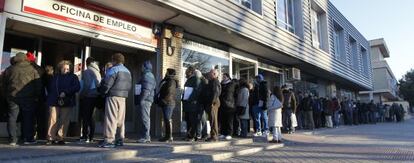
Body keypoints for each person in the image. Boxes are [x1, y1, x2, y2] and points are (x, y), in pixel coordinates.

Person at [3, 53, 42, 145]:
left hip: (12, 97)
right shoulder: (32, 69)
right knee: (28, 118)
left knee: (12, 118)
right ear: (25, 59)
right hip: (29, 98)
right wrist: (37, 95)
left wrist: (6, 95)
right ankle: (27, 138)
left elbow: (4, 84)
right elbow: (38, 84)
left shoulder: (9, 69)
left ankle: (13, 139)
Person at [98, 53, 132, 148]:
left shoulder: (113, 70)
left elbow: (106, 84)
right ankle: (120, 139)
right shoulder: (128, 71)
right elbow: (129, 86)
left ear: (114, 60)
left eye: (112, 60)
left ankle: (109, 140)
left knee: (111, 118)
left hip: (112, 96)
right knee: (120, 119)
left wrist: (102, 92)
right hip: (123, 97)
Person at [46, 60, 80, 145]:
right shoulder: (55, 77)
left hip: (67, 100)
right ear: (60, 68)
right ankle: (51, 137)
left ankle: (61, 137)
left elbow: (77, 87)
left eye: (67, 69)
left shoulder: (73, 77)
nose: (66, 70)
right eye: (64, 68)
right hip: (54, 100)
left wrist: (66, 92)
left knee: (64, 120)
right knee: (52, 119)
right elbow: (51, 88)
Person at [78, 57, 101, 143]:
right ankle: (91, 137)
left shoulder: (87, 71)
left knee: (86, 117)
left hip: (88, 97)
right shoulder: (97, 71)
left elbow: (87, 85)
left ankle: (84, 136)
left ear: (86, 63)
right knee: (92, 117)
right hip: (95, 97)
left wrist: (82, 95)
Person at [135, 61, 156, 143]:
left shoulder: (147, 75)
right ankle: (145, 136)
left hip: (145, 100)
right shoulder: (148, 75)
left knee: (145, 118)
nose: (141, 68)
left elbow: (146, 89)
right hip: (146, 99)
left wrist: (142, 99)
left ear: (145, 67)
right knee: (145, 118)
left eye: (142, 66)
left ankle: (146, 137)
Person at [156, 68, 178, 142]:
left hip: (168, 103)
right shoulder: (167, 80)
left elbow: (169, 92)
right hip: (166, 102)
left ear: (169, 73)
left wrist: (164, 100)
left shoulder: (171, 81)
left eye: (167, 72)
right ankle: (168, 136)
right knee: (166, 119)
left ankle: (169, 136)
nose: (166, 73)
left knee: (167, 119)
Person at [182, 67, 202, 141]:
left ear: (191, 72)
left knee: (193, 120)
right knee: (188, 120)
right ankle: (188, 135)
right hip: (187, 104)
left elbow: (196, 91)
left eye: (187, 71)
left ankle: (193, 136)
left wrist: (190, 98)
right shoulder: (188, 80)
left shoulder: (196, 79)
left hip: (193, 104)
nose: (185, 73)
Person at [201, 69, 221, 142]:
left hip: (213, 103)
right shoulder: (211, 81)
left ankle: (214, 136)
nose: (209, 74)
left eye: (210, 73)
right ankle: (213, 135)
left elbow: (216, 92)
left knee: (213, 120)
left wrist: (212, 102)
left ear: (215, 74)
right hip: (211, 102)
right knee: (211, 119)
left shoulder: (215, 81)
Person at [218, 73, 236, 140]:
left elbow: (235, 94)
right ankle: (223, 133)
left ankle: (229, 133)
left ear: (228, 77)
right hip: (222, 104)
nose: (223, 77)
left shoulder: (232, 84)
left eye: (225, 76)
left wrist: (234, 102)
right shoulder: (221, 84)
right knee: (223, 120)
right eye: (223, 76)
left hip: (230, 105)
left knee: (229, 120)